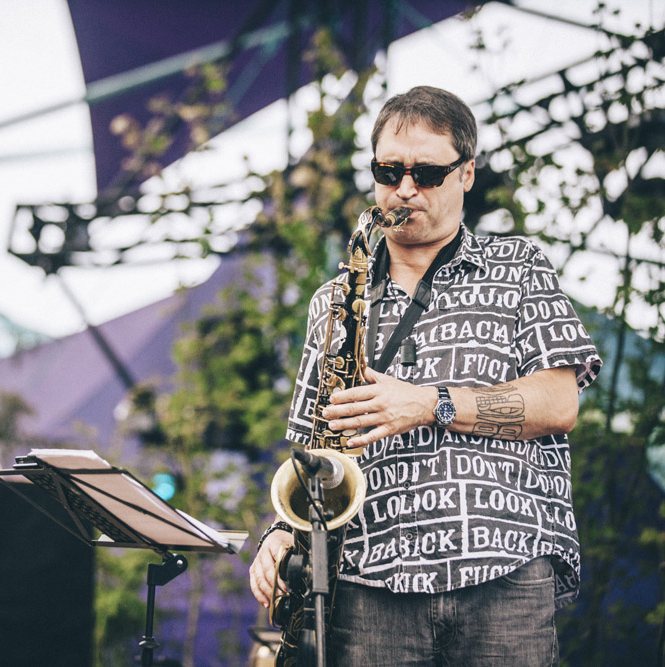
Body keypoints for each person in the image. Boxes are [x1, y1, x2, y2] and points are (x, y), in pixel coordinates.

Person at [249, 86, 602, 665]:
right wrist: (284, 530)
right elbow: (318, 449)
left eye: (427, 174)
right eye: (389, 171)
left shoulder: (519, 268)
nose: (405, 189)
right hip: (368, 582)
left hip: (502, 569)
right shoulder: (333, 300)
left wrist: (427, 403)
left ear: (466, 174)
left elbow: (559, 402)